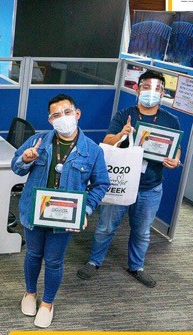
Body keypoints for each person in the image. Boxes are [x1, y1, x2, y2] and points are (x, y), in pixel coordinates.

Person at [12, 94, 109, 328]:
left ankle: (47, 303)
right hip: (34, 212)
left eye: (67, 112)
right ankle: (30, 293)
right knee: (33, 255)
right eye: (56, 115)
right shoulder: (38, 142)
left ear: (77, 114)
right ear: (50, 120)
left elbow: (101, 185)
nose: (62, 118)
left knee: (54, 261)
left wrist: (84, 210)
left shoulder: (92, 151)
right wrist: (25, 159)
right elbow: (16, 167)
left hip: (64, 217)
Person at [77, 70, 181, 288]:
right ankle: (94, 261)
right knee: (106, 227)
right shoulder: (125, 114)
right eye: (146, 87)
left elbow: (175, 149)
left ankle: (136, 266)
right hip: (121, 184)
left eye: (157, 89)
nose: (151, 93)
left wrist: (175, 160)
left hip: (150, 187)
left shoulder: (170, 120)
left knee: (142, 232)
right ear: (137, 89)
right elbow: (107, 141)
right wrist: (123, 134)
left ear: (163, 93)